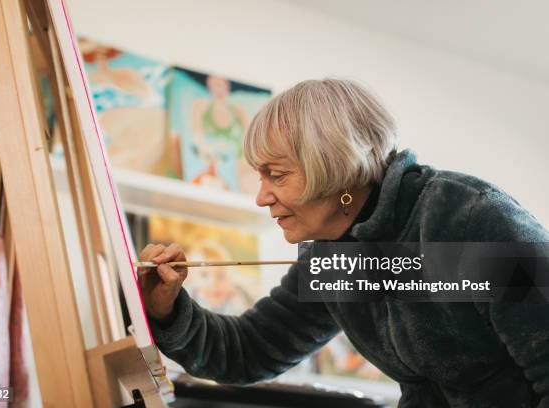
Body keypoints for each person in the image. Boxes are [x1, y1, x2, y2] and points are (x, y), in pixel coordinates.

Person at [138, 79, 549, 407]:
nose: (261, 196)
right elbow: (250, 350)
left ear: (336, 169)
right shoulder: (336, 254)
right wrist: (168, 311)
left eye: (277, 176)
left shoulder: (472, 221)